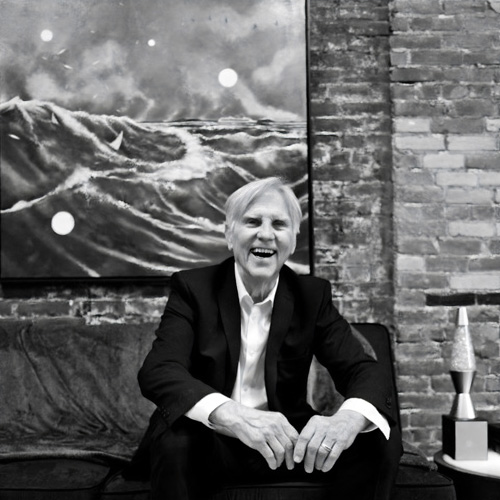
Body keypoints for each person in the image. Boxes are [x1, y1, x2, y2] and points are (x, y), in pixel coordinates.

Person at [134, 177, 402, 500]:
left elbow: (365, 370)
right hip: (211, 440)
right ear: (230, 235)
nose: (265, 234)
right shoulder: (193, 290)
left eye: (278, 223)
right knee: (175, 439)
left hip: (285, 444)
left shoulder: (311, 296)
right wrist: (235, 416)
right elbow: (160, 369)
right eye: (252, 222)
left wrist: (347, 419)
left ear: (292, 240)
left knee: (379, 439)